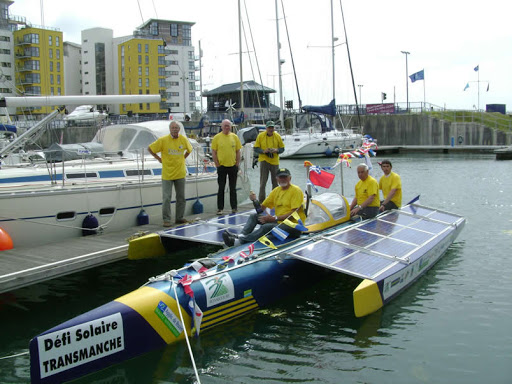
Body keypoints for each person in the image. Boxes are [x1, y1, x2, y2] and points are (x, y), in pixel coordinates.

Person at [222, 168, 306, 247]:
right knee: (253, 216)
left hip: (294, 227)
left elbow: (293, 213)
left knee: (267, 227)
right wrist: (255, 201)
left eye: (285, 177)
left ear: (290, 178)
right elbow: (260, 210)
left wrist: (274, 219)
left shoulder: (296, 191)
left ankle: (240, 241)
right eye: (281, 177)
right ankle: (242, 235)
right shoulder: (276, 191)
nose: (283, 179)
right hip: (279, 223)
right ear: (277, 179)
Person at [148, 121, 193, 227]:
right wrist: (159, 159)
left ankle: (179, 218)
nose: (174, 129)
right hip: (167, 174)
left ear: (179, 129)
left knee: (181, 197)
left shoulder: (183, 139)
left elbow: (189, 150)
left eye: (176, 128)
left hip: (180, 173)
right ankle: (166, 219)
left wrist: (183, 158)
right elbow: (150, 149)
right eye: (172, 128)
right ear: (170, 129)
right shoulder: (163, 140)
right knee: (167, 198)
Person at [211, 119, 242, 214]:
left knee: (233, 188)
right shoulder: (217, 137)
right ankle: (220, 208)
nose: (227, 127)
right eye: (225, 125)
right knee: (221, 188)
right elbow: (214, 152)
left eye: (228, 125)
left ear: (231, 127)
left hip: (233, 166)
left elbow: (238, 151)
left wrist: (237, 164)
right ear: (221, 127)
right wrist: (217, 164)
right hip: (221, 166)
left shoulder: (235, 137)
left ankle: (234, 207)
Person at [253, 120, 285, 202]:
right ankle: (262, 201)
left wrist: (276, 150)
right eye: (269, 127)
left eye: (272, 127)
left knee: (275, 182)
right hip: (264, 161)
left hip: (274, 162)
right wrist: (264, 151)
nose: (271, 129)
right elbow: (256, 148)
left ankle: (275, 200)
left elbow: (282, 149)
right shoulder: (260, 136)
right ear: (266, 128)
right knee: (263, 182)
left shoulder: (277, 136)